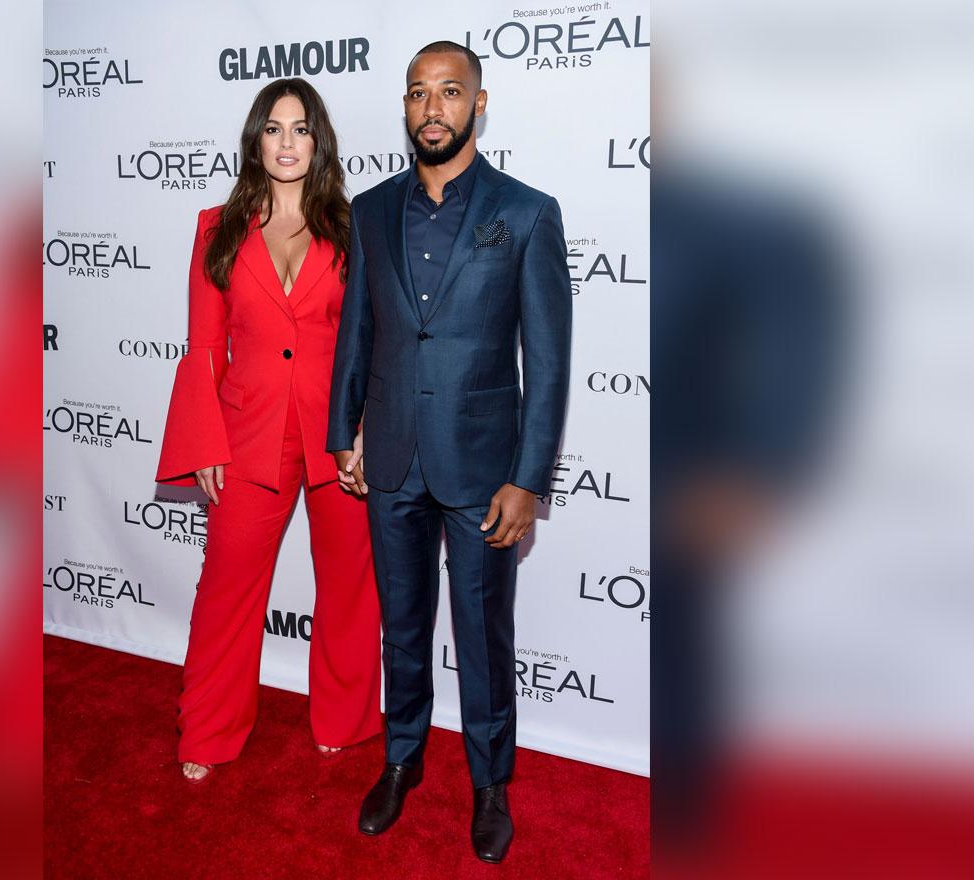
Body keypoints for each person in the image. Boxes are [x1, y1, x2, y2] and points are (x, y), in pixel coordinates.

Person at [327, 42, 571, 863]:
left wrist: (529, 478)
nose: (433, 107)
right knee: (401, 625)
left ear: (479, 102)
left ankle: (490, 783)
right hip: (391, 454)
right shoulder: (370, 209)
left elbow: (549, 360)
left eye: (450, 92)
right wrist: (343, 433)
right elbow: (355, 334)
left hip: (481, 470)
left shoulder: (529, 213)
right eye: (418, 94)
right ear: (405, 107)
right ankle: (402, 760)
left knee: (482, 632)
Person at [156, 78, 382, 784]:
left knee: (350, 585)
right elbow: (201, 346)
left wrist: (368, 427)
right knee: (225, 589)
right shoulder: (213, 227)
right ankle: (210, 728)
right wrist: (204, 444)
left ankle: (345, 719)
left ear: (320, 142)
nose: (287, 142)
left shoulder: (354, 228)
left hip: (339, 437)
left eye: (301, 128)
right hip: (245, 437)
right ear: (256, 140)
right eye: (274, 128)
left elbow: (374, 340)